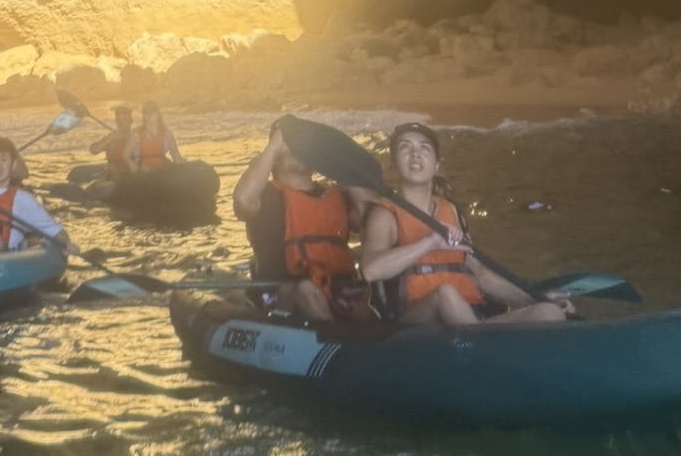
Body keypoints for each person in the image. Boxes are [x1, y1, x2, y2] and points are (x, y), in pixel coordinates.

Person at [360, 123, 571, 326]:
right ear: (395, 163)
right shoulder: (385, 213)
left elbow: (480, 273)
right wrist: (430, 242)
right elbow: (371, 271)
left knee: (549, 312)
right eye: (405, 147)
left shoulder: (451, 211)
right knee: (446, 294)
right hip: (416, 323)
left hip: (468, 317)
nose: (415, 153)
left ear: (436, 165)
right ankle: (481, 344)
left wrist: (533, 299)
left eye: (424, 148)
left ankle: (482, 337)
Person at [233, 122, 371, 322]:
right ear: (274, 157)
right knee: (306, 289)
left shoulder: (335, 196)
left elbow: (371, 217)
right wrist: (275, 143)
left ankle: (372, 340)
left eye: (302, 145)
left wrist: (341, 165)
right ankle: (337, 340)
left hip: (338, 288)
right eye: (289, 144)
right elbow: (242, 201)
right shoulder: (266, 196)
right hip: (283, 292)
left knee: (373, 290)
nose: (295, 150)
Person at [0, 136, 75, 257]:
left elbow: (55, 231)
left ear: (13, 164)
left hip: (2, 263)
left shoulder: (22, 199)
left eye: (3, 160)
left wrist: (68, 244)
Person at [89, 104, 137, 178]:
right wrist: (109, 139)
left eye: (124, 119)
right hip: (114, 177)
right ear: (116, 121)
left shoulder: (137, 137)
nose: (121, 122)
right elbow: (93, 150)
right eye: (118, 120)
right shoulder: (111, 138)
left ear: (131, 121)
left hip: (133, 175)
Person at [136, 100, 183, 171]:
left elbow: (175, 155)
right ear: (143, 116)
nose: (149, 114)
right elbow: (131, 158)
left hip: (161, 171)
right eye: (146, 112)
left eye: (152, 111)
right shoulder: (136, 134)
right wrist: (139, 168)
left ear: (158, 114)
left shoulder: (167, 134)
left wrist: (185, 166)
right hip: (143, 173)